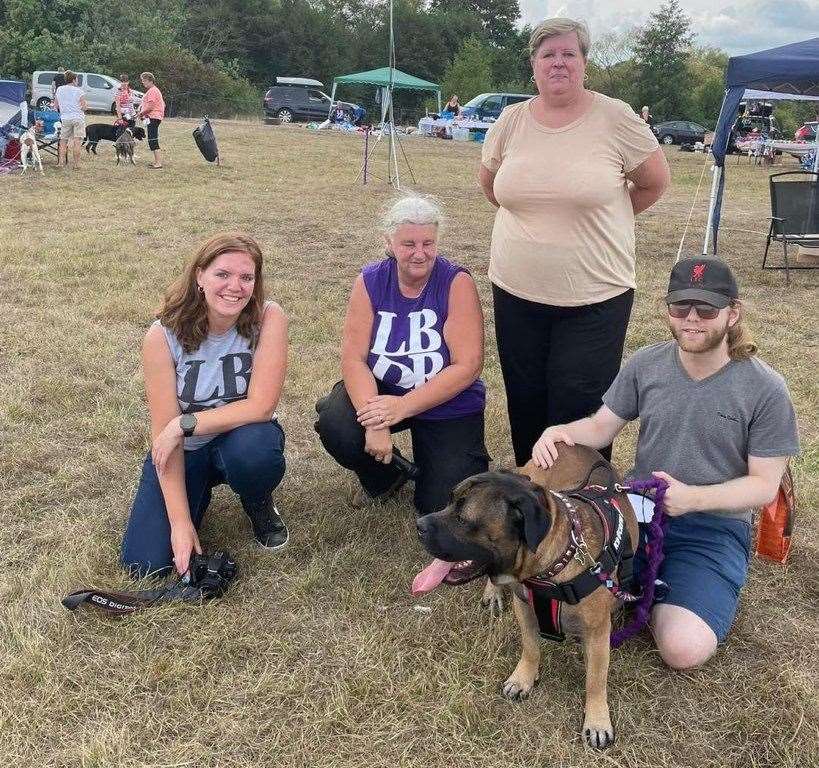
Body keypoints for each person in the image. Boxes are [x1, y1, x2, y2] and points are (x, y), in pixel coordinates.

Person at [532, 257, 799, 669]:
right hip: (634, 514)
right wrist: (559, 431)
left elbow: (764, 485)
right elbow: (602, 427)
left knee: (683, 650)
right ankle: (646, 586)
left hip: (714, 527)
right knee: (566, 618)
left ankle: (660, 592)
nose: (692, 319)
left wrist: (692, 498)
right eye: (680, 307)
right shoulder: (648, 364)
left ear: (733, 313)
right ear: (668, 310)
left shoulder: (764, 388)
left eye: (707, 309)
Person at [478, 17, 670, 467]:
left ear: (584, 62)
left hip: (594, 297)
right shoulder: (511, 121)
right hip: (515, 291)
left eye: (569, 54)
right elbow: (491, 187)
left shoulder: (617, 117)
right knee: (525, 400)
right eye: (548, 55)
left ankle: (585, 507)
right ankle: (535, 496)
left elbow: (653, 183)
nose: (558, 63)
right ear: (534, 65)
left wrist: (602, 218)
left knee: (579, 407)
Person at [121, 232, 289, 578]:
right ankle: (195, 497)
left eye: (247, 277)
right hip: (188, 451)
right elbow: (164, 439)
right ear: (199, 276)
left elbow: (261, 406)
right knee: (146, 565)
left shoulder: (268, 317)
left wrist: (184, 424)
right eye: (222, 274)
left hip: (240, 439)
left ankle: (257, 499)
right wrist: (180, 524)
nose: (235, 287)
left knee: (254, 450)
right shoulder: (162, 335)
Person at [315, 195, 489, 516]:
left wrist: (403, 406)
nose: (420, 253)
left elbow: (468, 366)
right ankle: (385, 477)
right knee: (337, 422)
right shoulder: (369, 282)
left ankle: (439, 466)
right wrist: (376, 422)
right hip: (385, 392)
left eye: (428, 243)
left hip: (446, 401)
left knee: (442, 506)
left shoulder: (456, 282)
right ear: (389, 241)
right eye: (409, 243)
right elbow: (354, 359)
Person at [54, 70, 87, 169]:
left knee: (63, 141)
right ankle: (76, 165)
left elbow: (56, 105)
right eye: (76, 79)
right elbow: (84, 107)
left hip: (65, 118)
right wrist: (85, 106)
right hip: (77, 118)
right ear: (73, 80)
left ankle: (60, 163)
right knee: (77, 141)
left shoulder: (59, 89)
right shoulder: (79, 91)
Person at [138, 71, 165, 169]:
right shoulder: (152, 90)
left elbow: (151, 106)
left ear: (150, 81)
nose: (143, 83)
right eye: (142, 81)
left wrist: (141, 113)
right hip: (152, 117)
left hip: (153, 117)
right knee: (151, 139)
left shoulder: (153, 91)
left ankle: (158, 163)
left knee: (153, 139)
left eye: (144, 81)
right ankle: (156, 161)